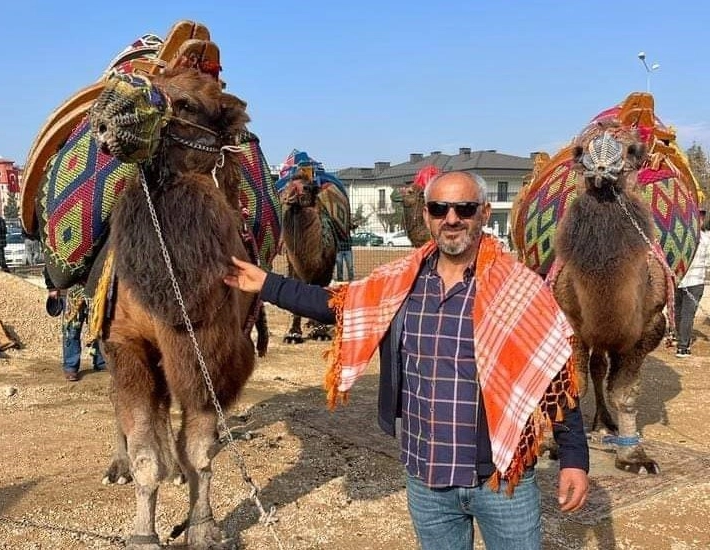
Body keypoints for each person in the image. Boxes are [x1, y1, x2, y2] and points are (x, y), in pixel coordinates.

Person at [225, 171, 589, 549]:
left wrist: (574, 458)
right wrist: (267, 284)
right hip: (426, 478)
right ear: (427, 215)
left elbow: (555, 373)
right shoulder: (400, 283)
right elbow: (334, 304)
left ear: (483, 213)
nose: (451, 219)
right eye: (440, 208)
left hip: (501, 478)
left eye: (464, 209)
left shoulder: (519, 288)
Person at [44, 268, 106, 381]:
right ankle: (71, 366)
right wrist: (52, 287)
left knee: (99, 324)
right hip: (71, 289)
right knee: (72, 329)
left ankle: (101, 361)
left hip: (97, 285)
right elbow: (51, 262)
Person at [674, 209, 710, 358]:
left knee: (682, 313)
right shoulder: (704, 239)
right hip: (688, 281)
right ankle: (682, 345)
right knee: (683, 314)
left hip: (686, 281)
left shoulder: (681, 238)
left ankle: (681, 341)